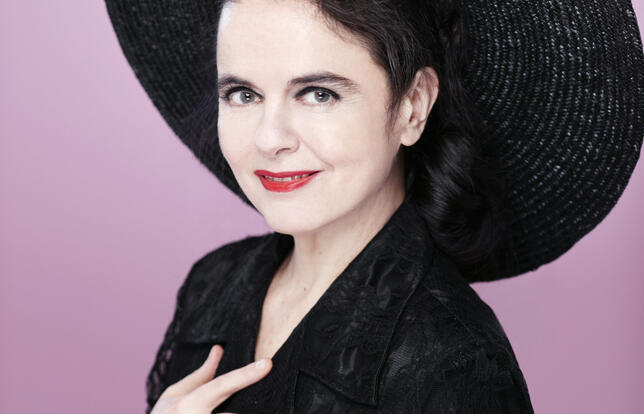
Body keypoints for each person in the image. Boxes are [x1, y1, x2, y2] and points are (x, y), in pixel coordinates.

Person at [105, 0, 644, 413]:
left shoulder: (452, 362)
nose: (269, 139)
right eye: (242, 94)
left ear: (413, 106)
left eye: (318, 93)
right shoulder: (213, 285)